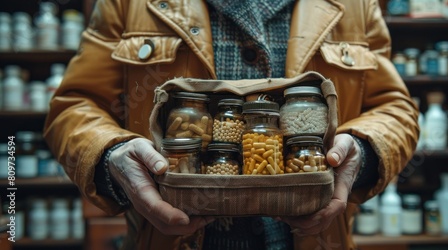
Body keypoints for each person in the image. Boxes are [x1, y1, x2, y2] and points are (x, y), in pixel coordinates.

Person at [43, 0, 419, 249]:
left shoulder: (353, 5)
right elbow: (74, 105)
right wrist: (112, 155)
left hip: (314, 238)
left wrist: (362, 151)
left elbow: (395, 108)